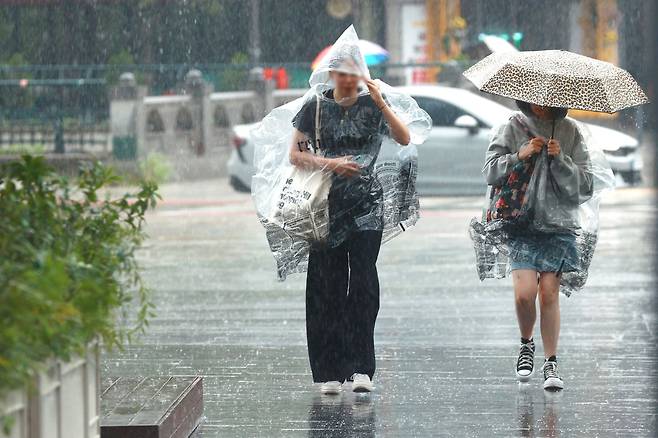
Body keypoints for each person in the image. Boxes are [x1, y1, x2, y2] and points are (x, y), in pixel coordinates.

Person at [289, 54, 412, 395]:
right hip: (326, 206)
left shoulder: (373, 106)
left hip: (367, 206)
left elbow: (404, 138)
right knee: (327, 287)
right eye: (342, 73)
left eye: (353, 73)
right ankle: (330, 370)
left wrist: (381, 102)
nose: (348, 80)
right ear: (332, 75)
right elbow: (296, 154)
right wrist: (330, 163)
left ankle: (361, 368)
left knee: (362, 285)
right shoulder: (314, 107)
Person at [482, 100, 594, 391]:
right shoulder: (512, 126)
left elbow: (586, 185)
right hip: (521, 223)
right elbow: (490, 172)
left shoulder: (570, 132)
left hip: (559, 226)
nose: (543, 103)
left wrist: (562, 160)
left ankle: (551, 361)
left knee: (548, 294)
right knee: (524, 295)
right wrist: (520, 154)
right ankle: (526, 342)